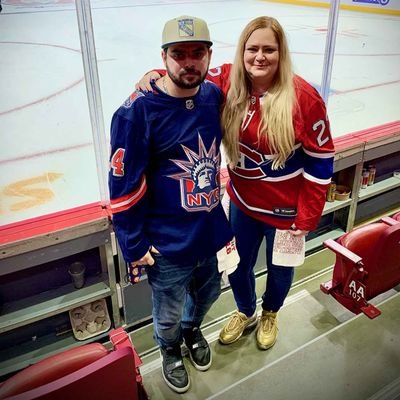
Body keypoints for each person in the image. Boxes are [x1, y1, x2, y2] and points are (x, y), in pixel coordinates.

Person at [137, 16, 334, 351]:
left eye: (269, 50)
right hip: (243, 203)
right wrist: (151, 76)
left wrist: (308, 214)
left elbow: (321, 158)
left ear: (280, 53)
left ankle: (270, 311)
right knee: (237, 266)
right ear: (242, 51)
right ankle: (246, 311)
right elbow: (184, 75)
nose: (260, 56)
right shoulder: (227, 81)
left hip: (285, 211)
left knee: (280, 268)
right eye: (252, 48)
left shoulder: (304, 97)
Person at [108, 15, 233, 394]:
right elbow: (121, 184)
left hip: (209, 231)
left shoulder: (212, 95)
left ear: (209, 56)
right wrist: (132, 243)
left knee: (210, 291)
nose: (189, 62)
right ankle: (170, 348)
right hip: (166, 243)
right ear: (164, 57)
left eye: (198, 53)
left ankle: (192, 330)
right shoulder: (137, 112)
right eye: (179, 53)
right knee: (166, 312)